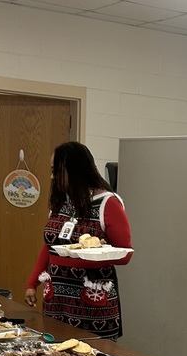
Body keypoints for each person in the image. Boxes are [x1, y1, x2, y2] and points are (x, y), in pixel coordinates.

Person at [25, 142, 132, 340]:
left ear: (75, 170)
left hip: (91, 303)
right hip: (57, 301)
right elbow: (50, 247)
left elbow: (125, 254)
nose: (53, 177)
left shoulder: (108, 203)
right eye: (51, 171)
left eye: (56, 171)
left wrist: (90, 254)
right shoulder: (60, 202)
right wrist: (32, 282)